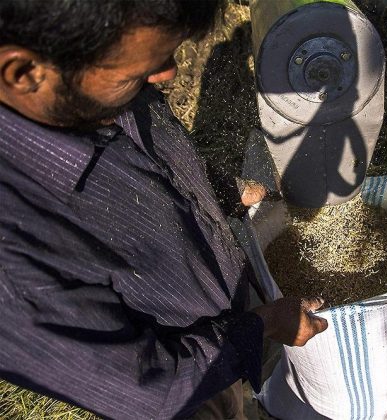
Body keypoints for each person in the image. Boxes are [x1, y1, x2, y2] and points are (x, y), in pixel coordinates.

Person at [0, 1, 327, 419]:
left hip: (233, 308)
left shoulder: (91, 81)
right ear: (25, 74)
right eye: (137, 75)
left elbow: (151, 161)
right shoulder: (13, 263)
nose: (169, 73)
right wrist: (265, 326)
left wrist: (224, 191)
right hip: (192, 384)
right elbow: (149, 391)